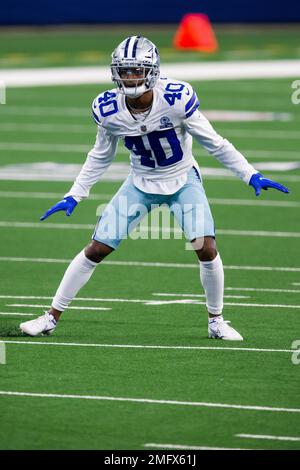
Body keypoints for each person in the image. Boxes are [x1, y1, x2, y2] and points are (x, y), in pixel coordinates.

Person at [20, 36, 289, 340]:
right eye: (124, 70)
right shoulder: (108, 108)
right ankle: (50, 317)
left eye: (136, 70)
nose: (129, 76)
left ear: (152, 71)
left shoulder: (176, 98)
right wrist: (75, 193)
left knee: (206, 247)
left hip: (182, 178)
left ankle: (216, 321)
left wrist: (250, 174)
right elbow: (100, 155)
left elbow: (214, 142)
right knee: (97, 248)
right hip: (140, 182)